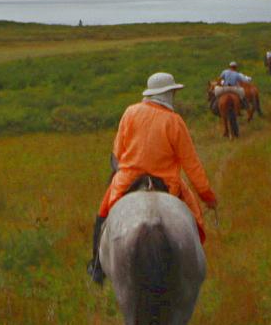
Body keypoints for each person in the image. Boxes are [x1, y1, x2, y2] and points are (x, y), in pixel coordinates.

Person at [87, 72, 218, 284]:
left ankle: (96, 267)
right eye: (173, 92)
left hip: (127, 179)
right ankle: (191, 265)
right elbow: (191, 164)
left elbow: (118, 152)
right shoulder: (175, 122)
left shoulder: (130, 112)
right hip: (167, 182)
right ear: (168, 94)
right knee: (194, 217)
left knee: (102, 215)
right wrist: (206, 195)